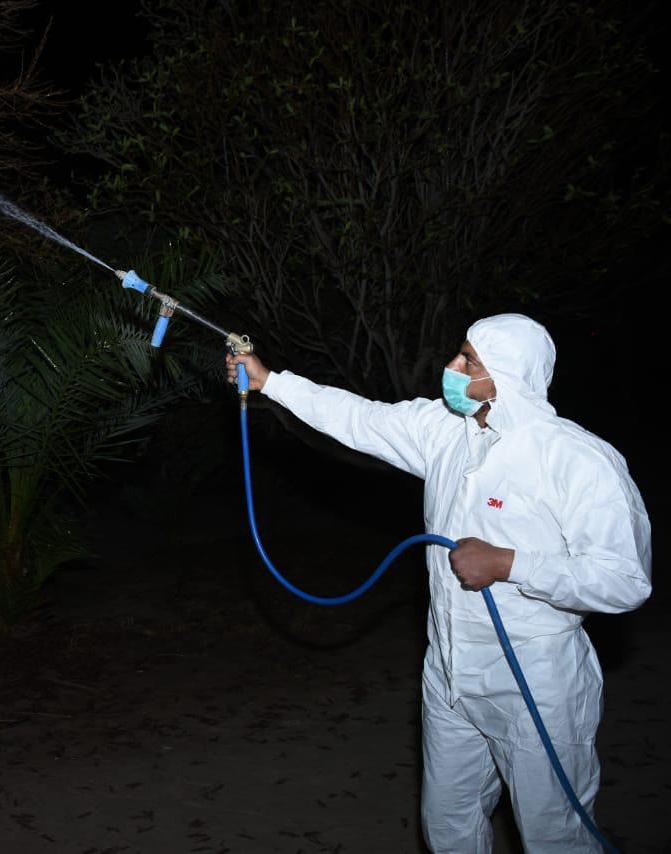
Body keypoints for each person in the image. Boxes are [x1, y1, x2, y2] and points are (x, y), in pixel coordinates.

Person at [226, 314, 651, 853]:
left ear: (506, 377)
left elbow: (624, 579)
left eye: (468, 360)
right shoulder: (445, 430)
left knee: (555, 837)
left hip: (535, 682)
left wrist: (510, 563)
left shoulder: (576, 460)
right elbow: (360, 418)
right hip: (449, 673)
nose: (451, 365)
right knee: (448, 825)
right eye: (459, 353)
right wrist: (271, 382)